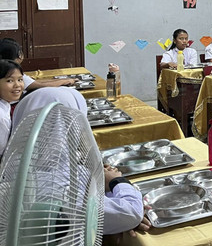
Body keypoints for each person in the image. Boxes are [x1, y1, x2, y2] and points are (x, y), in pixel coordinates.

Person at [10, 87, 146, 236]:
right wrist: (117, 182)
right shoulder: (56, 185)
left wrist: (106, 188)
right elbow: (130, 213)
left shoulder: (16, 168)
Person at [0, 38, 77, 90]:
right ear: (19, 56)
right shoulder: (14, 73)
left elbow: (33, 82)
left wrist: (61, 80)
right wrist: (66, 81)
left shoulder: (3, 69)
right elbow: (40, 86)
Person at [0, 59, 25, 158]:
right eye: (9, 81)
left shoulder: (5, 105)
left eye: (20, 80)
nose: (17, 85)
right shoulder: (2, 117)